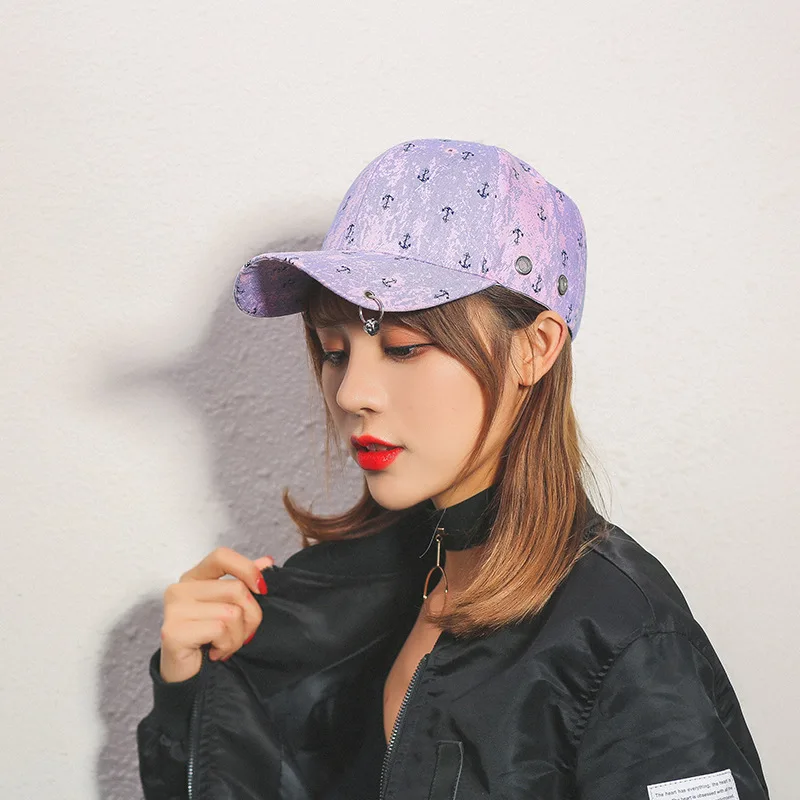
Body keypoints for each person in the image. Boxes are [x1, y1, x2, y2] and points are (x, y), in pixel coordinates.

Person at [136, 138, 770, 799]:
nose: (351, 393)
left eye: (404, 348)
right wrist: (189, 690)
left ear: (535, 349)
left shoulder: (624, 632)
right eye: (334, 351)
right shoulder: (340, 597)